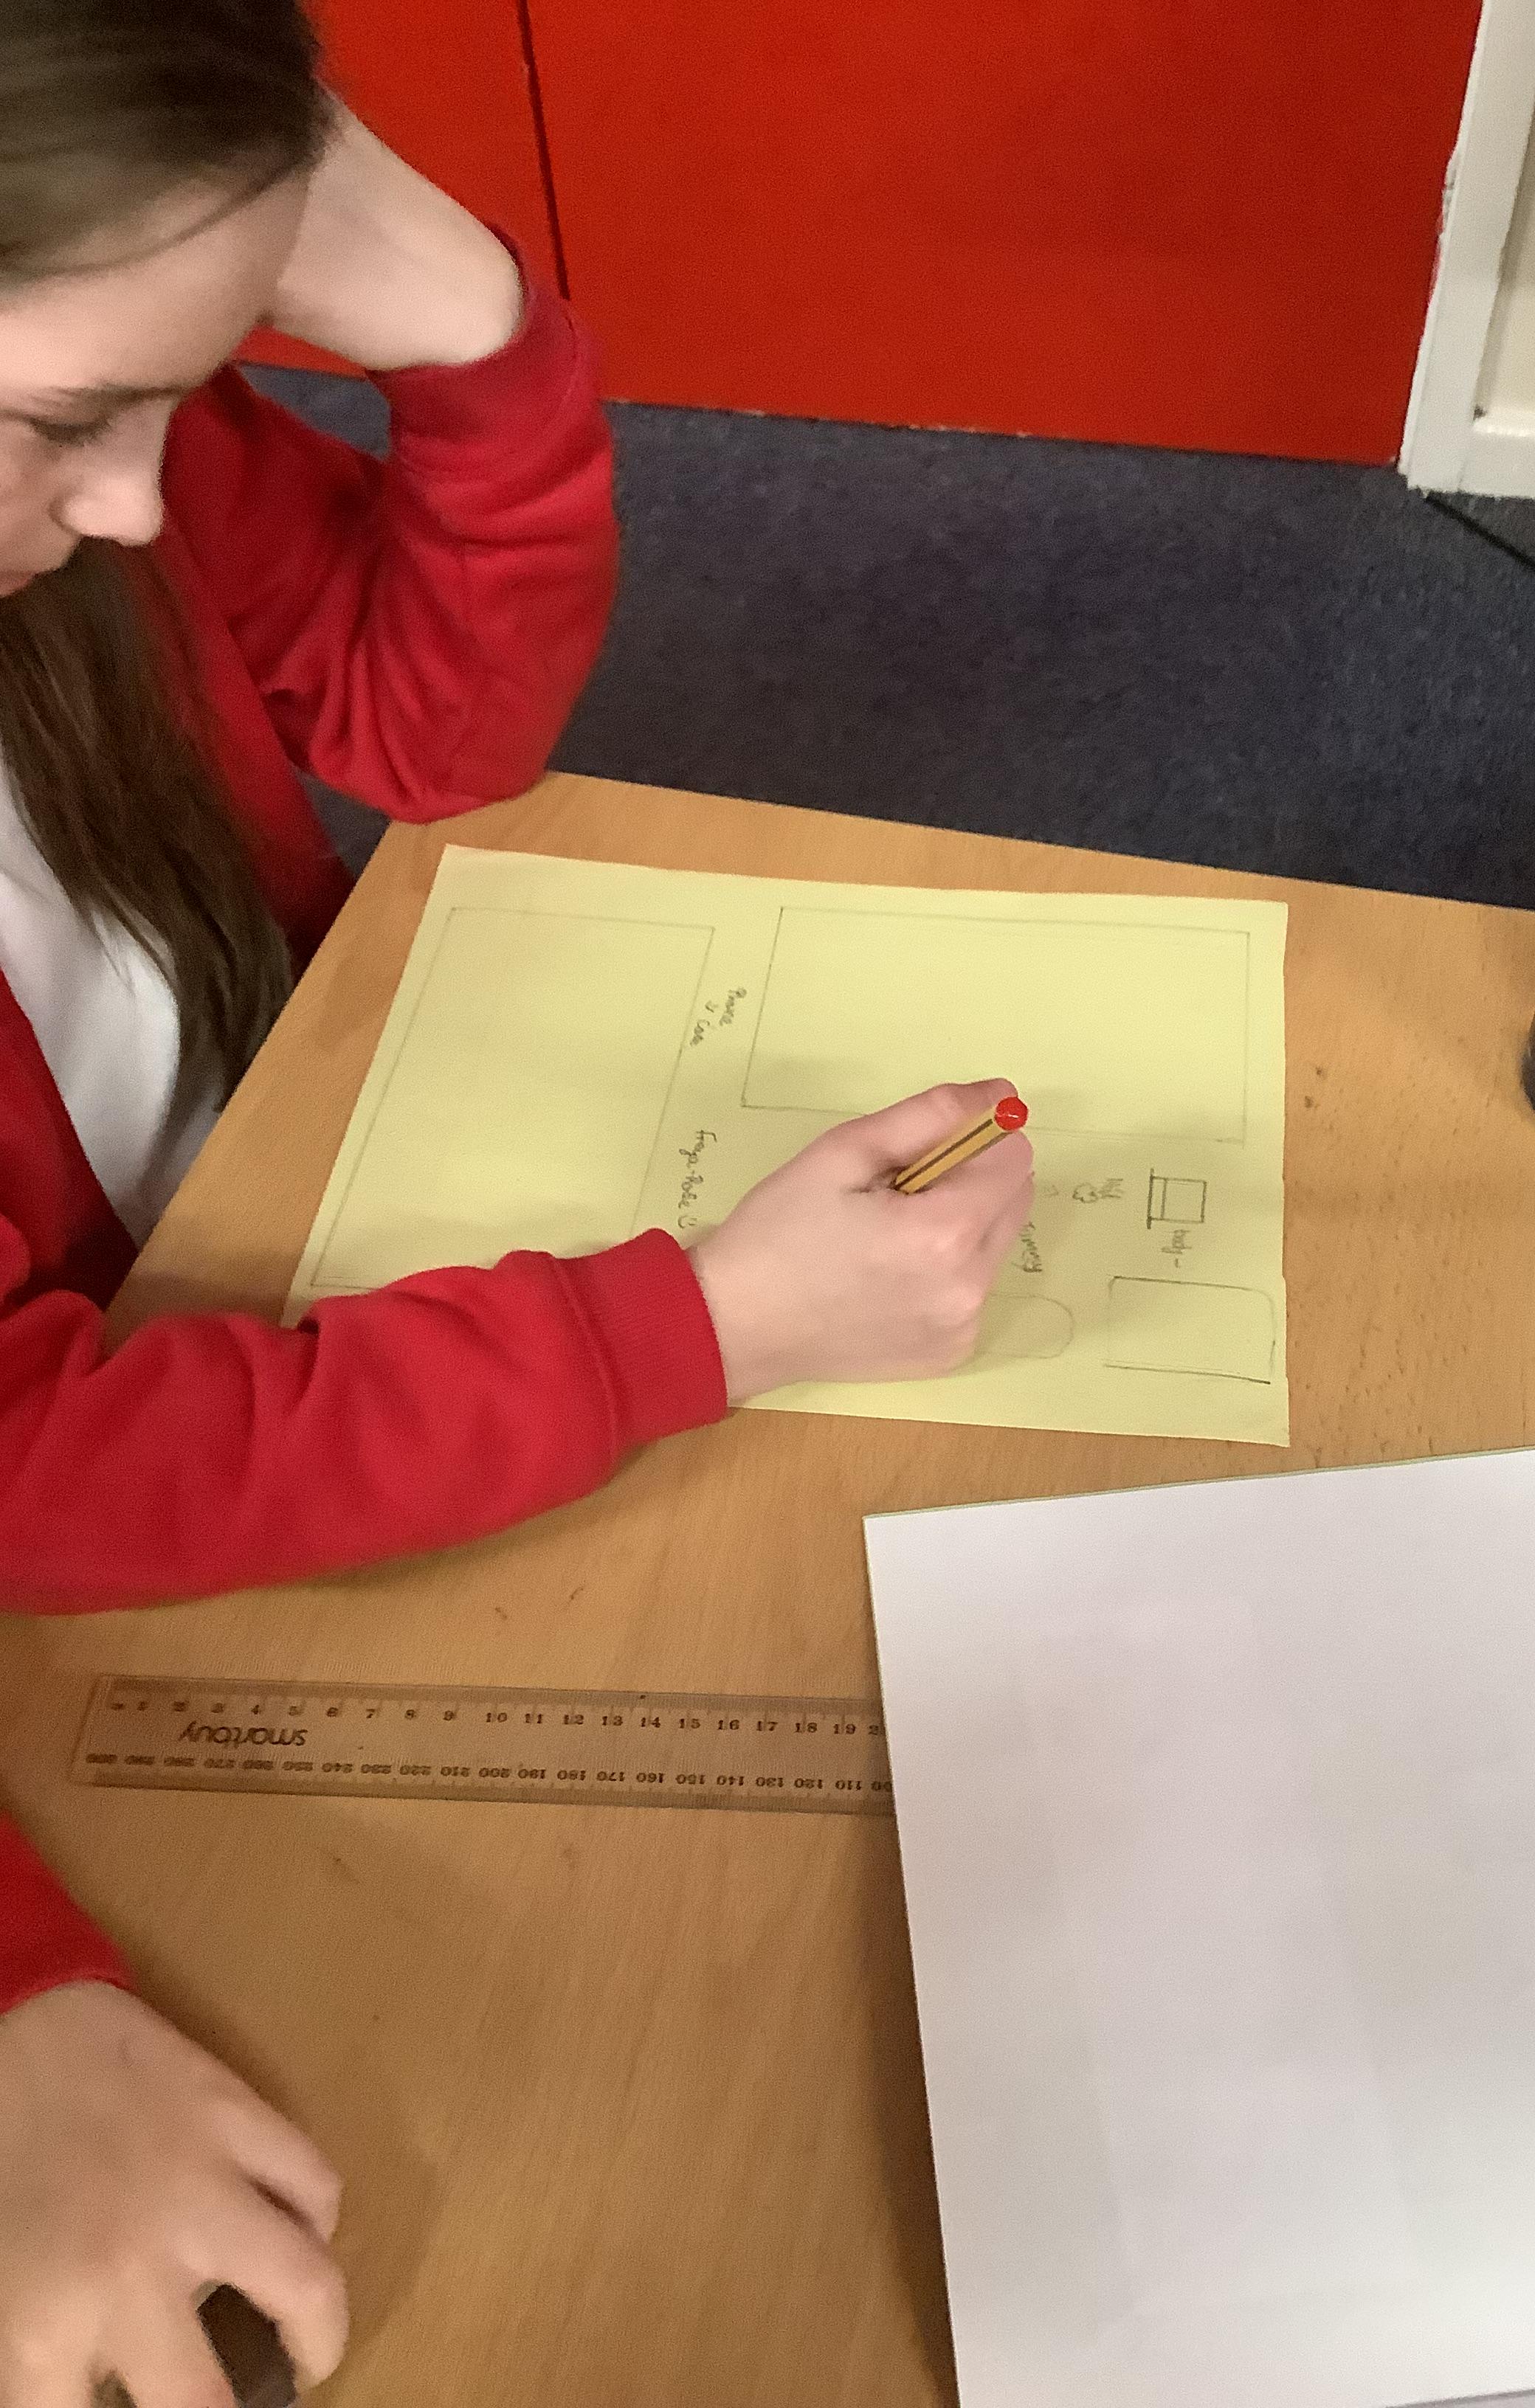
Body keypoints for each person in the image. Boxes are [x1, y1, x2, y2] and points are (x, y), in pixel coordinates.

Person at [0, 5, 1035, 2401]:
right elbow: (37, 1466)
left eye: (191, 387)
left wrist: (465, 323)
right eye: (71, 419)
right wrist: (692, 1332)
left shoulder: (94, 473)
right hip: (165, 1472)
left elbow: (429, 731)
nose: (143, 500)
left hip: (280, 1225)